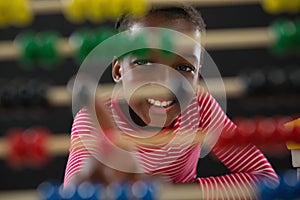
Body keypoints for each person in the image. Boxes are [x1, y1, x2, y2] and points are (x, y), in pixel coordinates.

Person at [64, 4, 279, 199]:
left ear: (198, 74)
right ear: (118, 69)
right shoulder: (93, 120)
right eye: (145, 62)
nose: (165, 83)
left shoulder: (200, 105)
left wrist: (177, 194)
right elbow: (72, 193)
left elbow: (265, 178)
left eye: (184, 68)